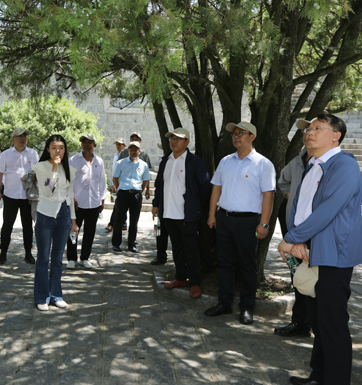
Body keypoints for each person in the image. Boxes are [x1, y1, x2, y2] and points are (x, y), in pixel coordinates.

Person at [278, 114, 362, 385]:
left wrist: (292, 237)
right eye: (309, 129)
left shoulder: (344, 165)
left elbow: (328, 209)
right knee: (318, 321)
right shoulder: (312, 164)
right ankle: (319, 376)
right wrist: (298, 240)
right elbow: (298, 206)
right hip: (309, 248)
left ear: (336, 136)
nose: (310, 132)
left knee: (332, 323)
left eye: (318, 128)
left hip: (333, 254)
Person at [204, 121, 275, 325]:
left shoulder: (263, 164)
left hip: (248, 222)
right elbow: (216, 189)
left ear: (252, 137)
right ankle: (224, 303)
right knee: (224, 262)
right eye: (234, 133)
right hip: (224, 219)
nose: (236, 136)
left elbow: (268, 195)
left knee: (247, 266)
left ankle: (247, 307)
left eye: (241, 133)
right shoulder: (226, 161)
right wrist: (212, 215)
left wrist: (264, 224)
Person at [151, 128, 212, 299]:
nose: (174, 141)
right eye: (172, 138)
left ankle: (195, 282)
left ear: (187, 142)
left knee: (191, 249)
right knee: (177, 248)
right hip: (168, 214)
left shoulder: (195, 162)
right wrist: (156, 204)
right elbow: (159, 185)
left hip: (187, 215)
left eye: (178, 139)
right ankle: (180, 277)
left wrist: (195, 204)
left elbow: (205, 187)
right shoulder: (166, 161)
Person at [31, 134, 79, 311]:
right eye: (53, 148)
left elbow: (70, 195)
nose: (57, 151)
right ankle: (41, 297)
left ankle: (56, 295)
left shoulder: (70, 170)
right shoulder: (41, 167)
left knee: (58, 258)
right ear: (48, 149)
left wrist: (73, 221)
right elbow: (48, 191)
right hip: (46, 214)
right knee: (43, 257)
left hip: (64, 214)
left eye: (61, 147)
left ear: (65, 150)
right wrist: (54, 169)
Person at [0, 128, 40, 265]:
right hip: (10, 196)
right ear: (13, 139)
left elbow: (37, 171)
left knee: (28, 226)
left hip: (27, 196)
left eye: (24, 136)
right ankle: (3, 253)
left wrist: (32, 176)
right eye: (19, 136)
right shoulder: (6, 154)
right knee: (7, 225)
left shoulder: (33, 153)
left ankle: (28, 253)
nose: (22, 139)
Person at [67, 134, 106, 269]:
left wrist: (102, 199)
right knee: (73, 231)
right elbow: (68, 181)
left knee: (90, 232)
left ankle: (85, 257)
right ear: (81, 145)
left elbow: (102, 182)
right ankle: (71, 258)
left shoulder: (99, 161)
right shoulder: (73, 160)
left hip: (94, 203)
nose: (87, 145)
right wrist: (71, 198)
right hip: (77, 203)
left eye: (90, 142)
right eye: (84, 142)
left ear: (94, 145)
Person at [111, 141, 151, 253]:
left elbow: (146, 180)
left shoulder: (143, 165)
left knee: (134, 220)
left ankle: (131, 243)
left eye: (135, 149)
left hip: (136, 194)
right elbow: (115, 178)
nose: (133, 151)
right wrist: (119, 189)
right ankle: (116, 243)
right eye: (131, 149)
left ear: (139, 151)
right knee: (119, 219)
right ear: (128, 151)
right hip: (123, 193)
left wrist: (141, 191)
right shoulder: (120, 163)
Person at [106, 138, 127, 233]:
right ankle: (123, 223)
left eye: (120, 144)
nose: (118, 146)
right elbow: (114, 171)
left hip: (122, 184)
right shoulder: (116, 156)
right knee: (120, 203)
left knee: (119, 204)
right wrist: (112, 184)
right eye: (116, 144)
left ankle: (112, 223)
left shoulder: (125, 156)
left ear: (124, 146)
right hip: (116, 183)